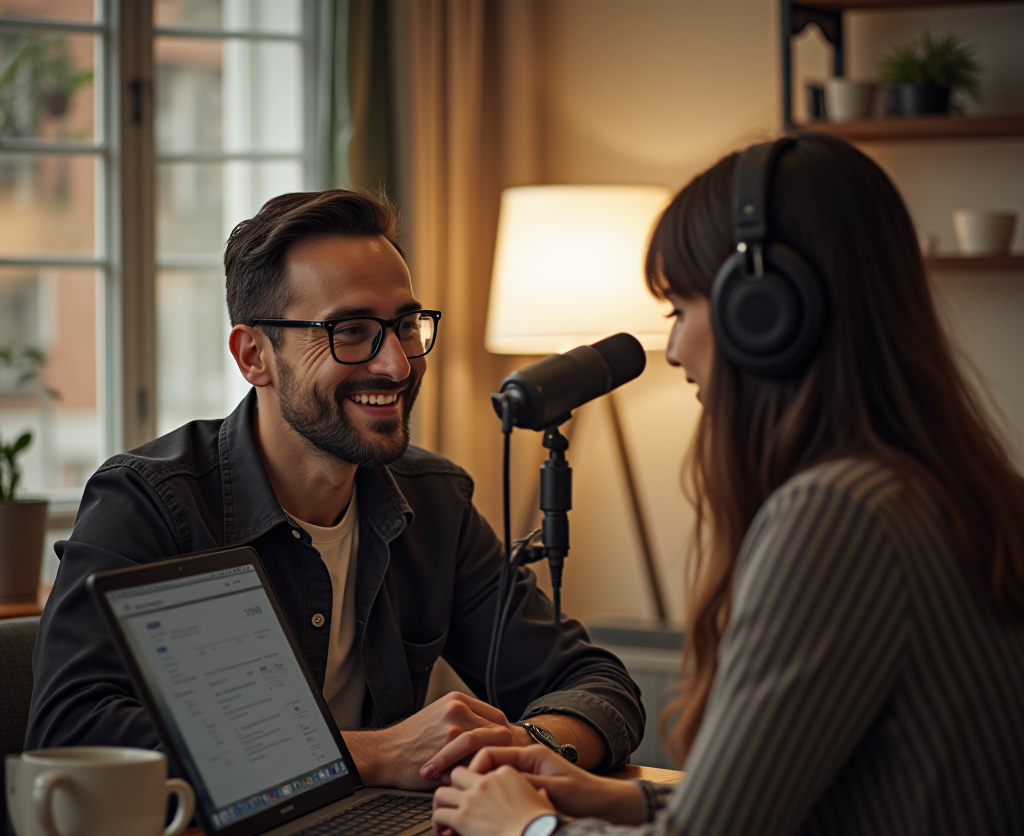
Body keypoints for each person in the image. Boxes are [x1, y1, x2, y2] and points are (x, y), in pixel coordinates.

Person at [430, 134, 1024, 836]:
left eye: (680, 307)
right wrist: (611, 802)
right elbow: (843, 800)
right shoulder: (959, 489)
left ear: (765, 310)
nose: (673, 350)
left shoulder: (837, 517)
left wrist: (528, 827)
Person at [26, 190, 645, 787]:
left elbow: (595, 684)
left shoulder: (435, 503)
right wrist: (374, 755)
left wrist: (522, 749)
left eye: (405, 325)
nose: (397, 365)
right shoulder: (149, 503)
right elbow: (70, 736)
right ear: (253, 356)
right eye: (349, 331)